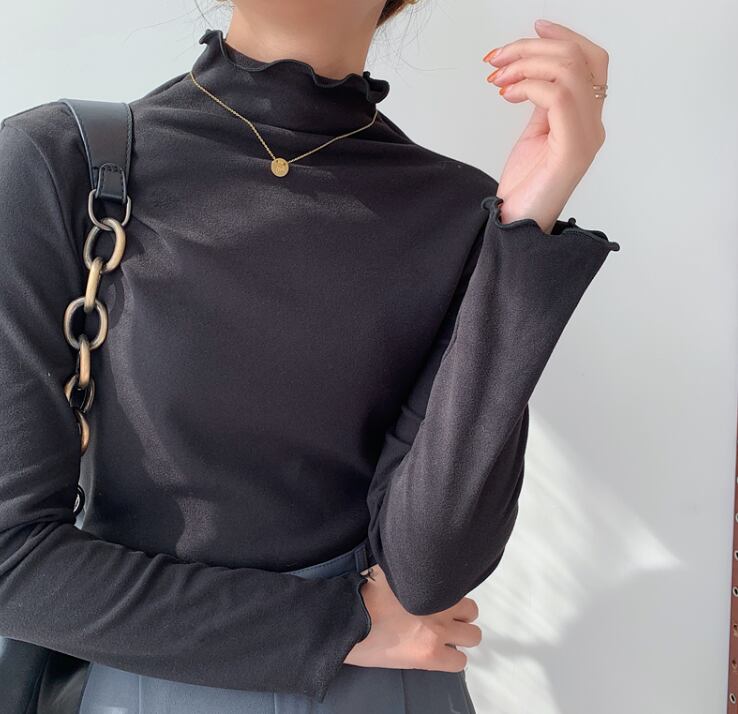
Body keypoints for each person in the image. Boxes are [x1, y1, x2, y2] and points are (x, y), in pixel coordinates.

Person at [0, 1, 618, 712]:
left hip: (391, 692)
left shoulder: (461, 209)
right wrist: (338, 624)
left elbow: (429, 573)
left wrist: (528, 227)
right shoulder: (61, 165)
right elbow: (13, 561)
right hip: (152, 685)